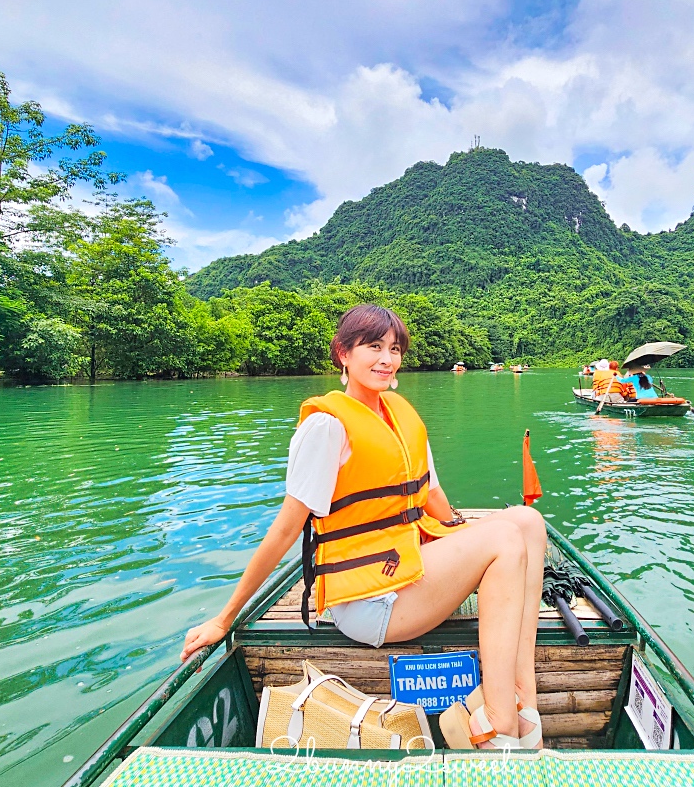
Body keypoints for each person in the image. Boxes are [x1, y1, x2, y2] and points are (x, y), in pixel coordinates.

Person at [180, 305, 546, 750]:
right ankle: (498, 724)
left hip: (405, 568)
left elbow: (431, 494)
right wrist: (225, 618)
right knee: (504, 538)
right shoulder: (326, 427)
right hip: (369, 601)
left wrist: (461, 535)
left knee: (527, 521)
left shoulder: (397, 413)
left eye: (394, 349)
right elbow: (284, 529)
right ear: (343, 354)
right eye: (373, 347)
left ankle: (523, 701)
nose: (386, 359)